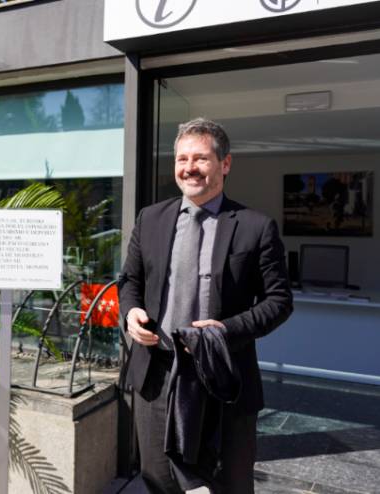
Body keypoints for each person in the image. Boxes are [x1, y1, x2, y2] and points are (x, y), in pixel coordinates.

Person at [118, 117, 292, 493]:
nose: (189, 168)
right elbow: (130, 281)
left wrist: (225, 330)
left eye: (200, 158)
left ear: (224, 164)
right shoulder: (150, 219)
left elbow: (279, 301)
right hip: (157, 375)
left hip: (223, 376)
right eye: (182, 159)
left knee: (229, 483)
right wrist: (130, 313)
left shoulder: (255, 227)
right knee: (159, 481)